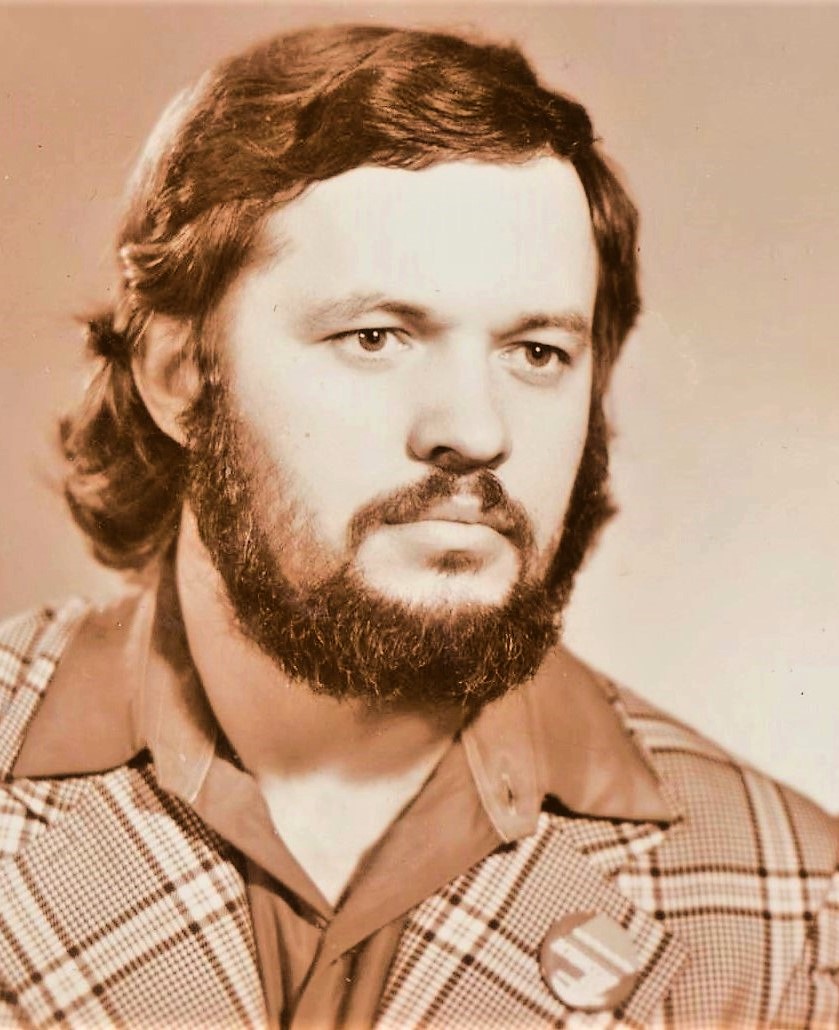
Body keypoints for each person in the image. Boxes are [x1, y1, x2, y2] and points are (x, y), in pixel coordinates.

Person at [0, 23, 836, 1029]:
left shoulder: (790, 916)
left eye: (535, 353)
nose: (475, 432)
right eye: (375, 337)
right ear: (178, 375)